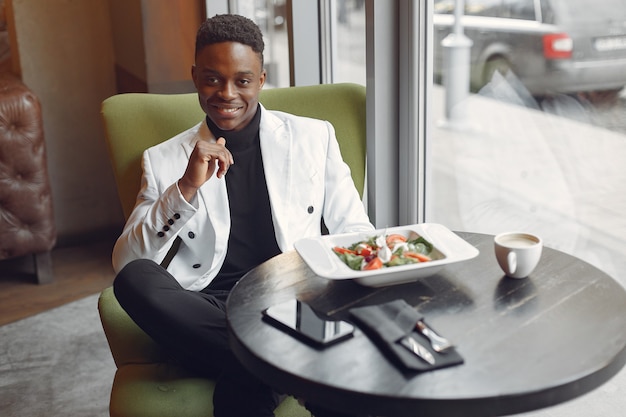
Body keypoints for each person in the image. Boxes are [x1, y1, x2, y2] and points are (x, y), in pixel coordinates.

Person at [111, 13, 373, 417]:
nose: (226, 93)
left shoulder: (313, 137)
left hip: (290, 301)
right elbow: (127, 261)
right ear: (195, 76)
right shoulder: (164, 159)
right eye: (212, 78)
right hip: (207, 309)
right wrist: (185, 188)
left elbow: (354, 229)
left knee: (239, 389)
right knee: (134, 279)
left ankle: (263, 360)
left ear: (262, 80)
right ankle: (294, 360)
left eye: (242, 80)